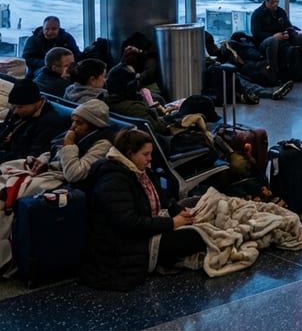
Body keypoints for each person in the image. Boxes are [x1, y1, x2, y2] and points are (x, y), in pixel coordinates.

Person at [79, 129, 206, 291]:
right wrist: (172, 223)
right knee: (195, 236)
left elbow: (161, 196)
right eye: (145, 154)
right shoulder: (112, 180)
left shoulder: (137, 170)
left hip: (146, 224)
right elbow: (128, 224)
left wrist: (176, 209)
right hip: (123, 249)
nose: (150, 159)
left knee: (195, 204)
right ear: (130, 153)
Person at [250, 0, 302, 83]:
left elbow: (289, 26)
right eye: (272, 2)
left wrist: (288, 33)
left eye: (277, 2)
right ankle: (274, 74)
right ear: (266, 1)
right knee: (273, 40)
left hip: (283, 38)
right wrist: (274, 36)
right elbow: (256, 33)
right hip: (264, 41)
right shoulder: (257, 14)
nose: (275, 4)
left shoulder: (281, 12)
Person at [0, 79, 70, 161]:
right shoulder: (18, 110)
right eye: (13, 106)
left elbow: (32, 156)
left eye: (20, 107)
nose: (15, 111)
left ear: (36, 102)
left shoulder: (50, 123)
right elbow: (5, 133)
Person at [53, 98, 115, 184]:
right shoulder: (78, 134)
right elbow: (57, 150)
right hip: (54, 173)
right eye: (73, 121)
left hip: (69, 186)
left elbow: (74, 175)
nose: (73, 126)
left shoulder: (103, 145)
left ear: (93, 126)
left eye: (79, 123)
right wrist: (43, 159)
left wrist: (69, 145)